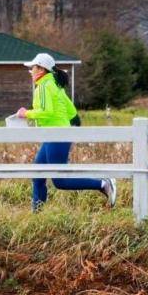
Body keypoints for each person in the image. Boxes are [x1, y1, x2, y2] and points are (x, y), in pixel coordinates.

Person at [16, 52, 116, 212]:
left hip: (56, 135)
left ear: (41, 69)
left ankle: (103, 184)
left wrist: (26, 113)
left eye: (32, 68)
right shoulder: (55, 85)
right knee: (37, 173)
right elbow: (70, 110)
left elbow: (46, 111)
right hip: (57, 134)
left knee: (60, 181)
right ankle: (36, 214)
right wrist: (73, 126)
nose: (30, 72)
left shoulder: (42, 86)